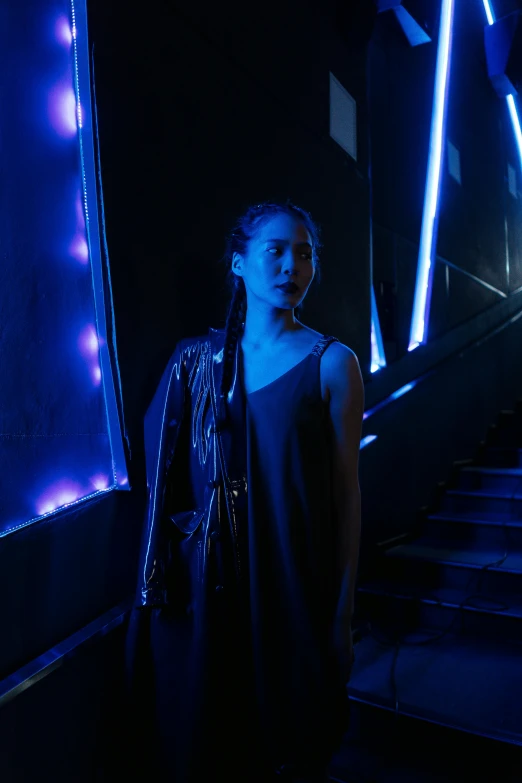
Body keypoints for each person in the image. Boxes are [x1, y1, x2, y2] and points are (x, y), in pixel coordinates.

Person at [126, 200, 364, 783]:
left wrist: (342, 612)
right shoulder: (194, 363)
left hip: (292, 583)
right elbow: (162, 484)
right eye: (276, 251)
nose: (292, 267)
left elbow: (346, 495)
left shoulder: (333, 364)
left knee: (290, 737)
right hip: (207, 592)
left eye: (304, 254)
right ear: (238, 263)